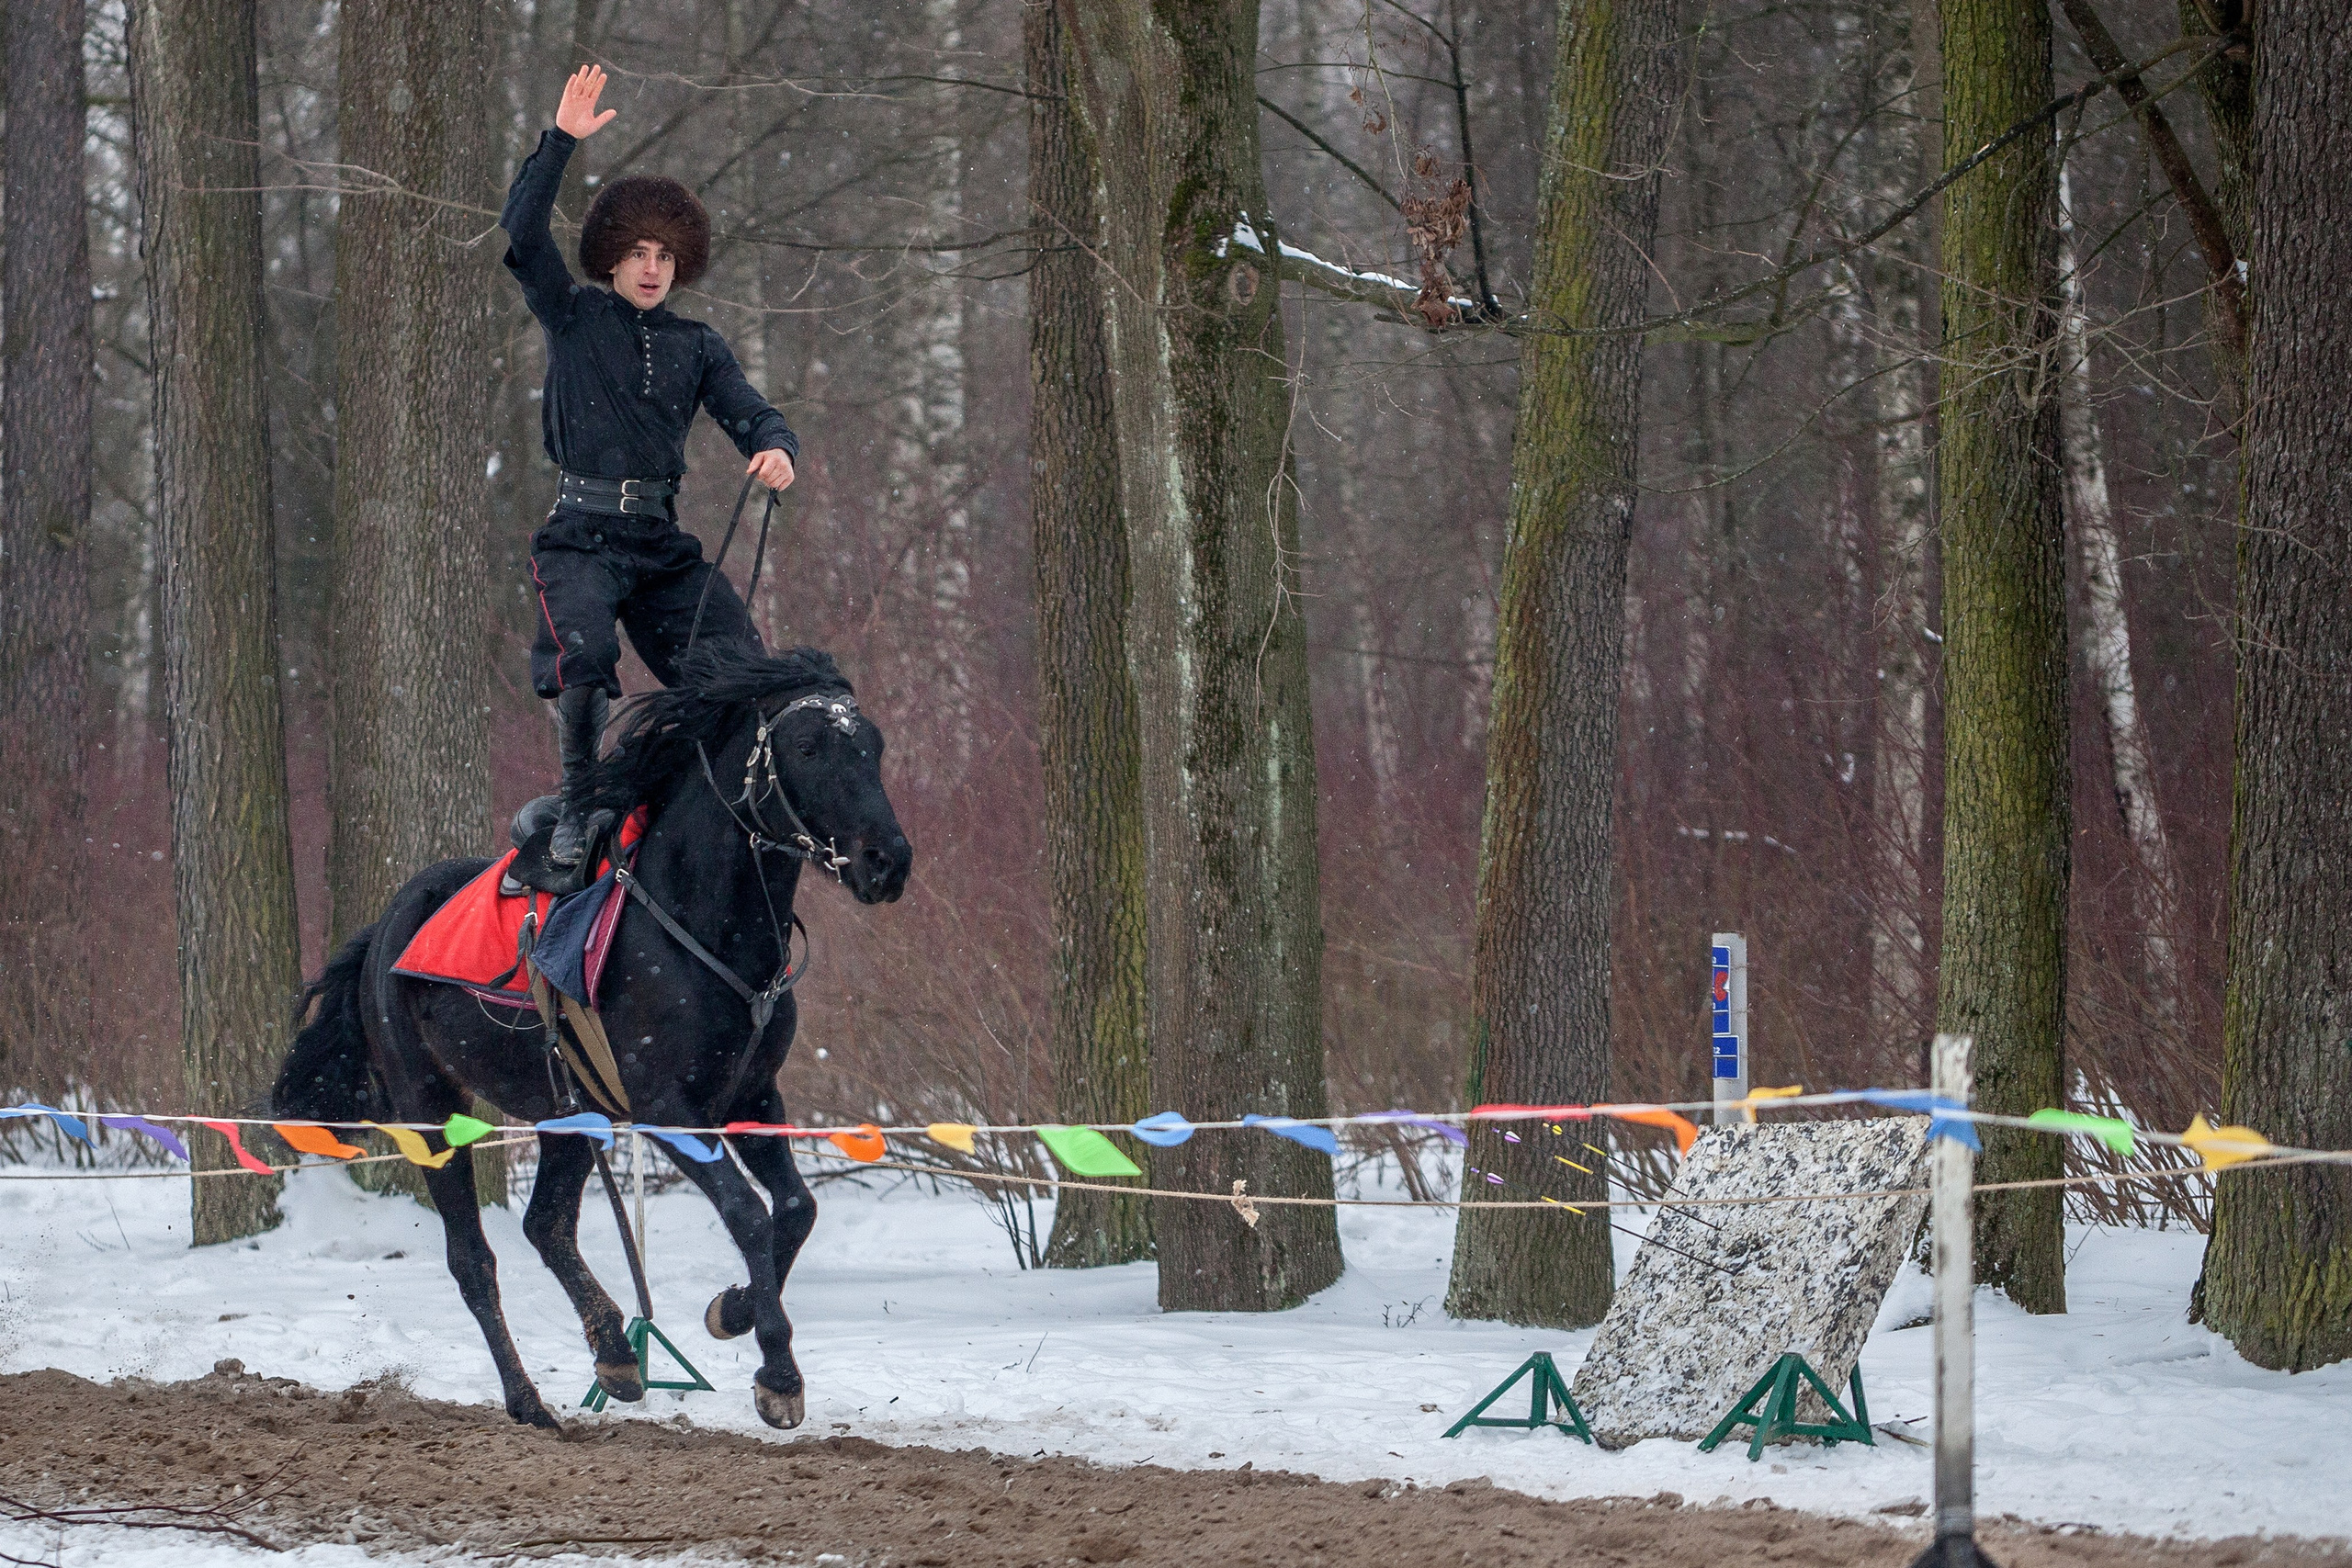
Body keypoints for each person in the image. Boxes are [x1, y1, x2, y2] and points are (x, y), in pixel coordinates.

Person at [502, 63, 798, 871]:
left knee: (740, 667)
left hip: (660, 546)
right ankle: (573, 806)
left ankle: (679, 799)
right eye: (636, 251)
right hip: (581, 536)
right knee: (588, 654)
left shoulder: (696, 345)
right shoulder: (572, 314)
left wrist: (775, 447)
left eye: (665, 255)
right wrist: (559, 140)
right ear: (611, 258)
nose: (651, 267)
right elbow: (523, 233)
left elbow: (750, 409)